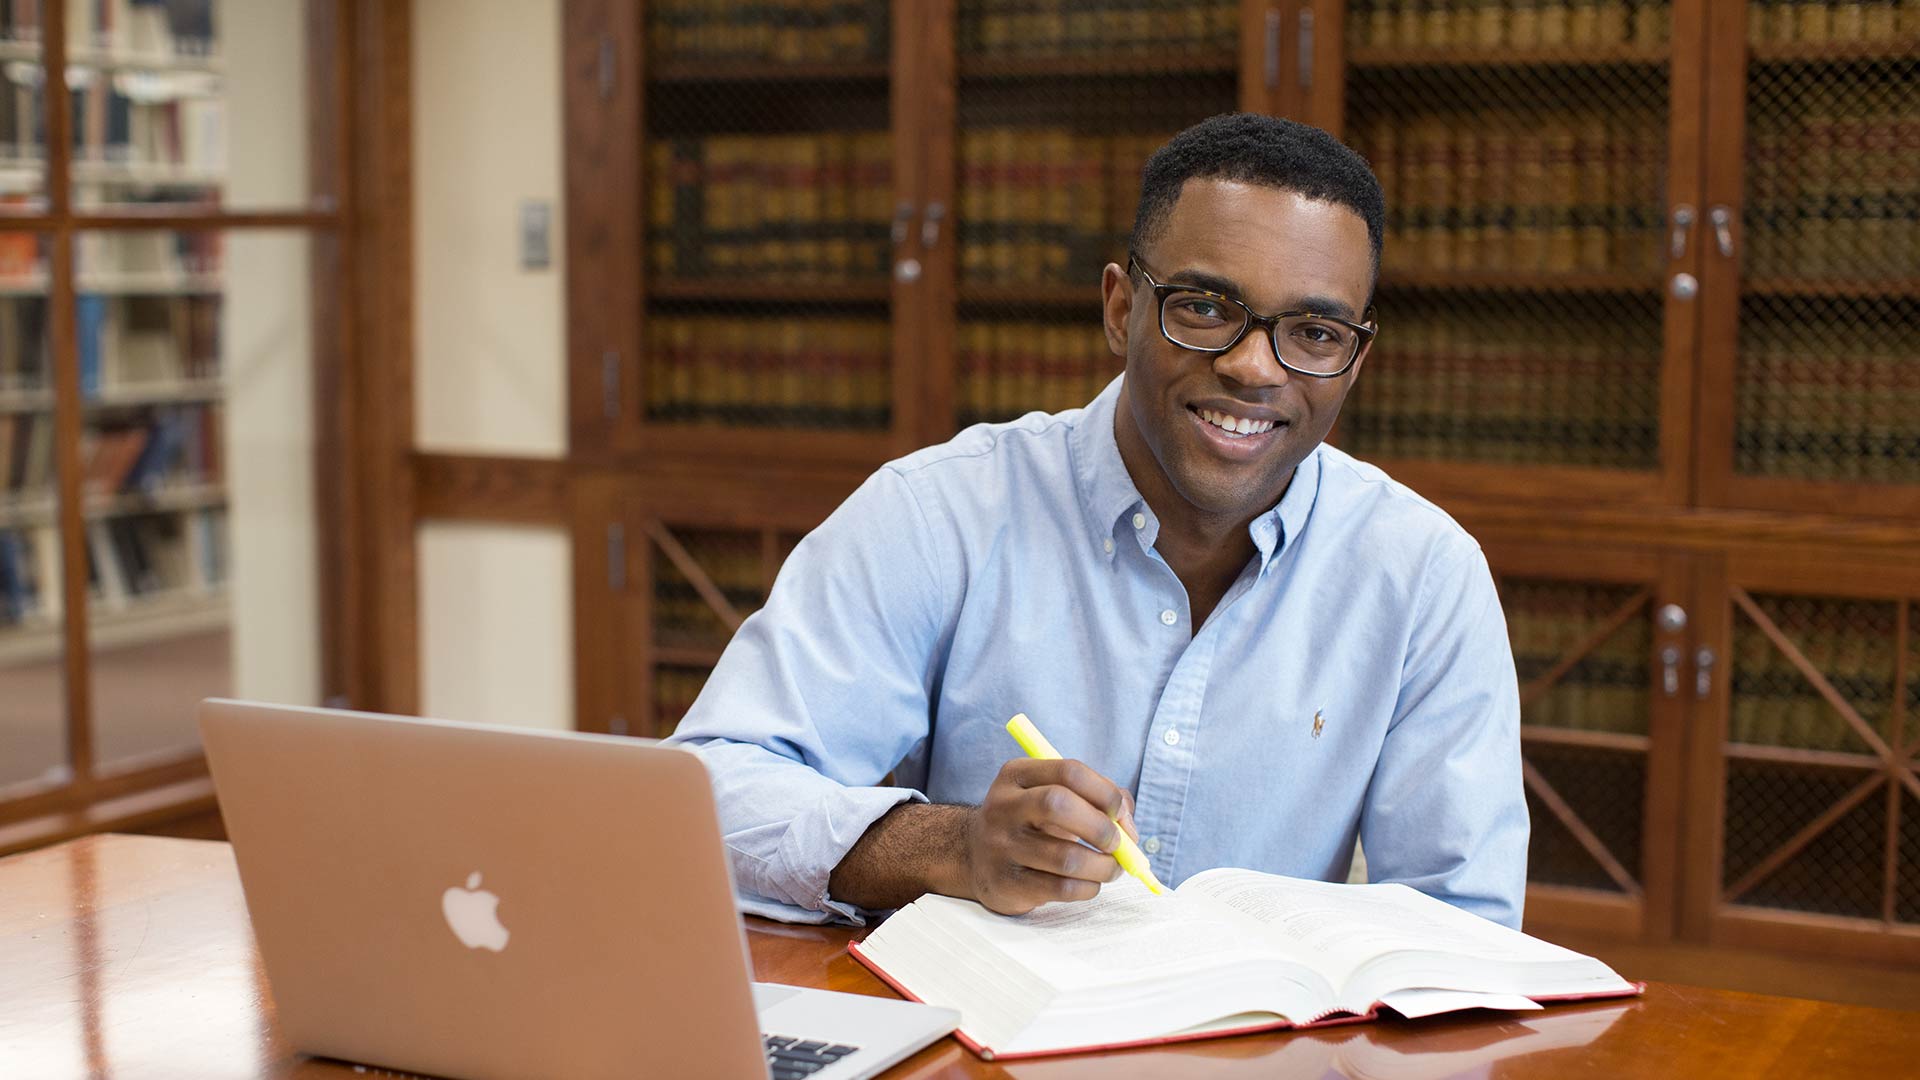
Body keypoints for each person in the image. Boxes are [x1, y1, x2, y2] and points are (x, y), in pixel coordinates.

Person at [662, 113, 1528, 929]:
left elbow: (1465, 927)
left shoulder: (1424, 575)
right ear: (1121, 310)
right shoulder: (939, 512)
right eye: (1204, 308)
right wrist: (952, 846)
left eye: (1313, 331)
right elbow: (708, 792)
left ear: (1355, 358)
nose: (1255, 368)